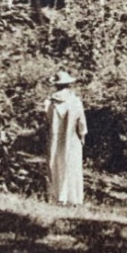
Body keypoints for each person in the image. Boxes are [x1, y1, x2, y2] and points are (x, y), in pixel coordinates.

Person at [45, 71, 87, 206]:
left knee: (56, 164)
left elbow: (47, 121)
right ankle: (73, 198)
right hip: (72, 138)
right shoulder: (75, 101)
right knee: (71, 165)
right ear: (69, 84)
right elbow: (82, 122)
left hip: (55, 139)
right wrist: (82, 135)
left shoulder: (50, 103)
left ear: (56, 85)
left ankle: (57, 196)